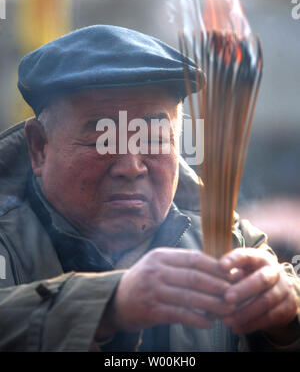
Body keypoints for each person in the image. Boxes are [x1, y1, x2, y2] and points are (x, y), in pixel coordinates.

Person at [0, 25, 299, 352]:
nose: (131, 166)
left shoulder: (228, 242)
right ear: (39, 147)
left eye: (154, 138)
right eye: (103, 139)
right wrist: (110, 305)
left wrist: (286, 322)